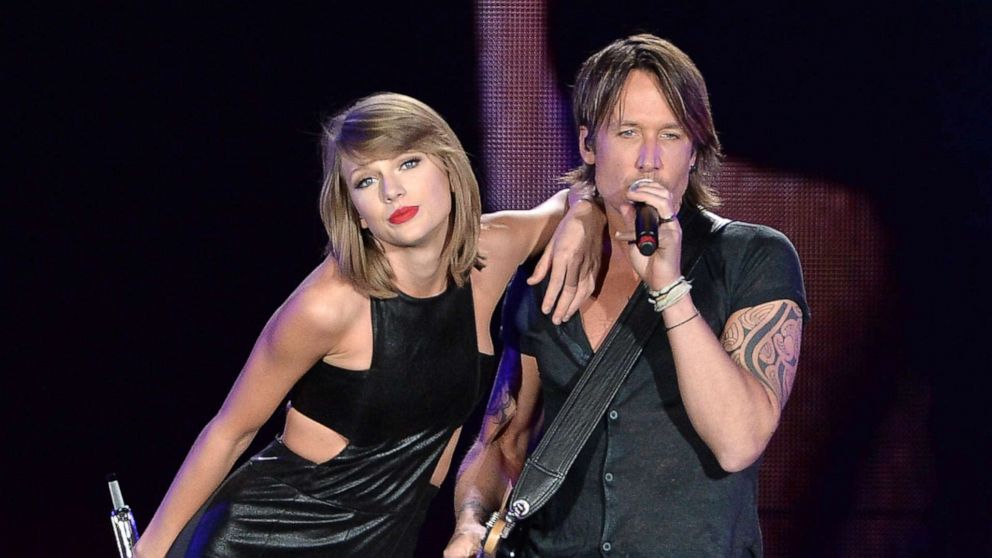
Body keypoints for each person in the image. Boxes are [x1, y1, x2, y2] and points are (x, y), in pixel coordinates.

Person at [133, 92, 604, 558]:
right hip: (266, 539)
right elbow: (227, 432)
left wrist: (582, 211)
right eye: (366, 180)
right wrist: (148, 552)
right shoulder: (328, 305)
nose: (391, 191)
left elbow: (582, 191)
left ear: (449, 168)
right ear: (355, 212)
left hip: (387, 541)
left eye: (408, 163)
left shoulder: (493, 251)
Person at [445, 34, 809, 557]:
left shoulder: (753, 257)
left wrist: (668, 288)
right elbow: (504, 441)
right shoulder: (548, 273)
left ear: (695, 152)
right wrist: (471, 524)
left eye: (671, 134)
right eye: (628, 132)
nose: (648, 159)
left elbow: (738, 443)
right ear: (590, 144)